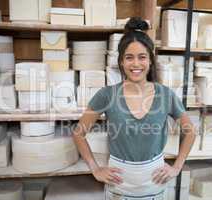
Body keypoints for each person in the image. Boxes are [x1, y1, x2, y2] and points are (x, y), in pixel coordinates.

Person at [73, 17, 196, 200]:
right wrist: (95, 169)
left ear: (151, 61)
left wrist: (177, 166)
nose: (136, 64)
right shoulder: (107, 95)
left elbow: (190, 131)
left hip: (154, 179)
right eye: (129, 57)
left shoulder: (165, 95)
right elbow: (78, 133)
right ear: (121, 62)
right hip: (119, 181)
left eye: (142, 57)